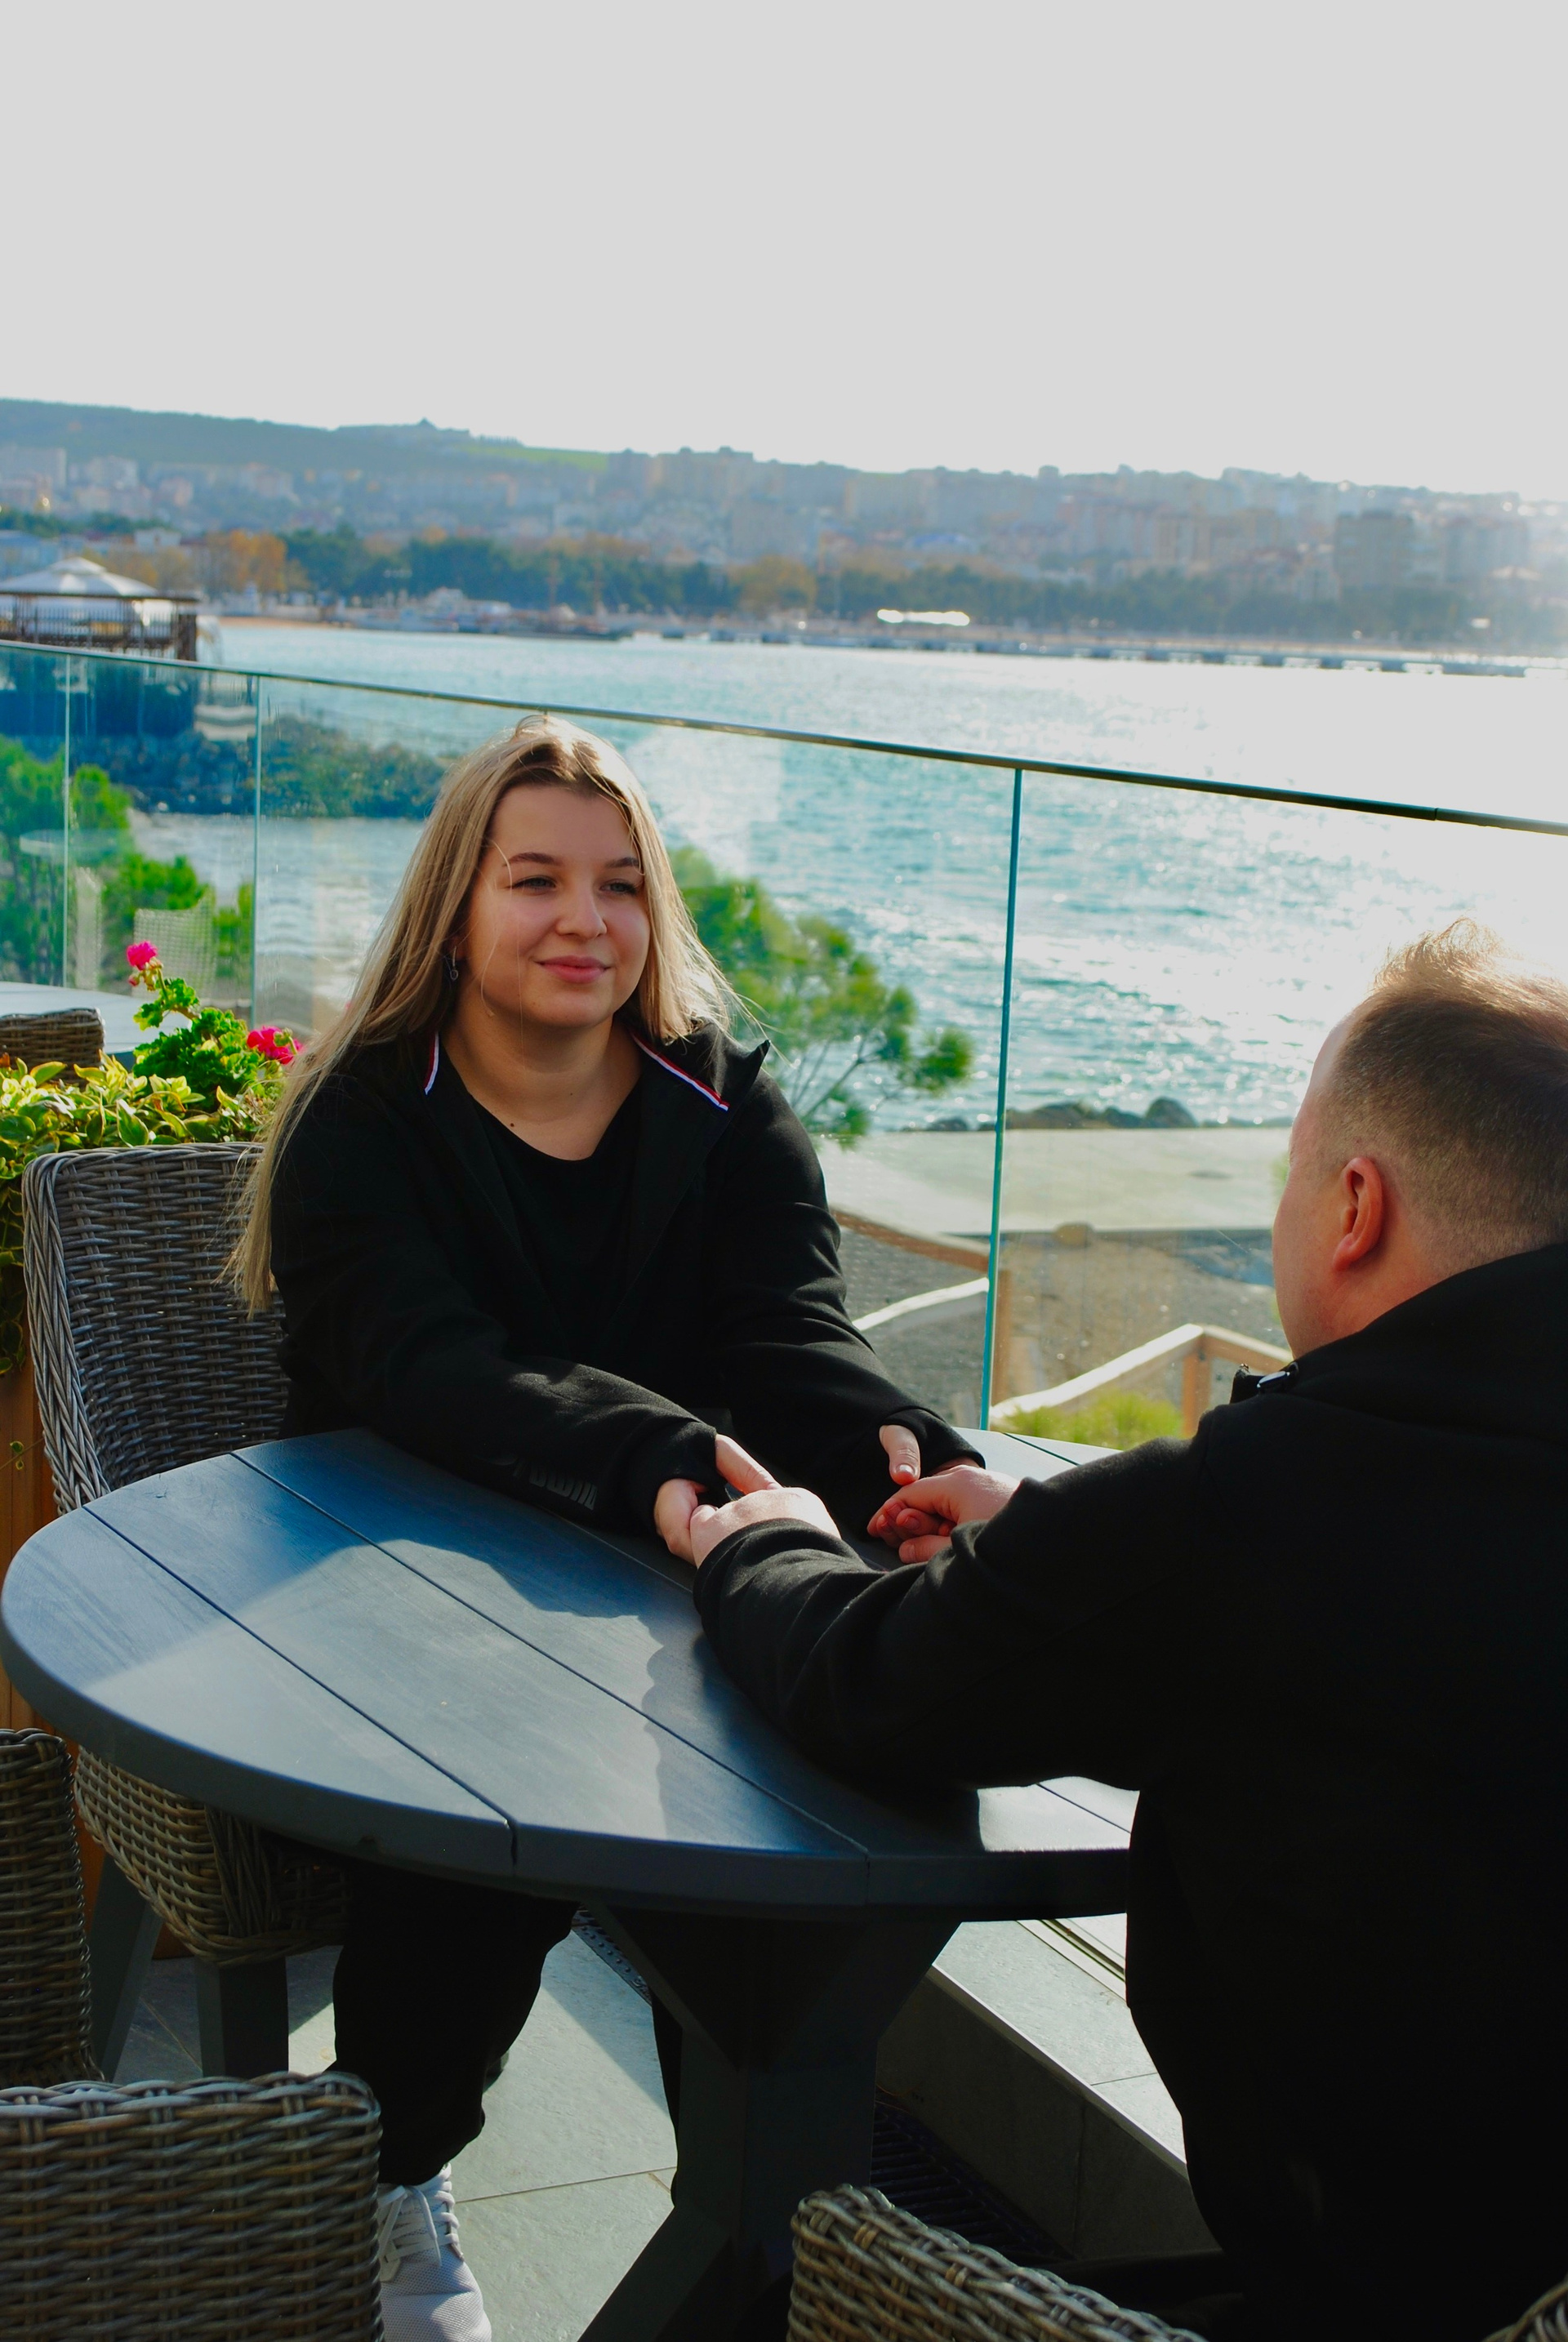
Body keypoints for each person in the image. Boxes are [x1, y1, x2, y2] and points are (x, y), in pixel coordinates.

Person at [684, 922, 1568, 2342]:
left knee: (775, 2317)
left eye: (1291, 1174)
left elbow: (870, 1682)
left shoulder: (1259, 1513)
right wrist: (1053, 1529)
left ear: (1355, 1206)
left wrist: (769, 1541)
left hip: (1383, 2303)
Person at [238, 715, 978, 2342]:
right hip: (393, 1598)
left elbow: (790, 1336)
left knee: (819, 1783)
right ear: (456, 907)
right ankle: (391, 2178)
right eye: (537, 880)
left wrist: (916, 1463)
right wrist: (658, 1461)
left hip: (656, 1585)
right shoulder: (364, 1122)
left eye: (623, 884)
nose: (586, 919)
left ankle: (759, 2227)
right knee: (489, 1795)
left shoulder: (722, 1106)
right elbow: (434, 1370)